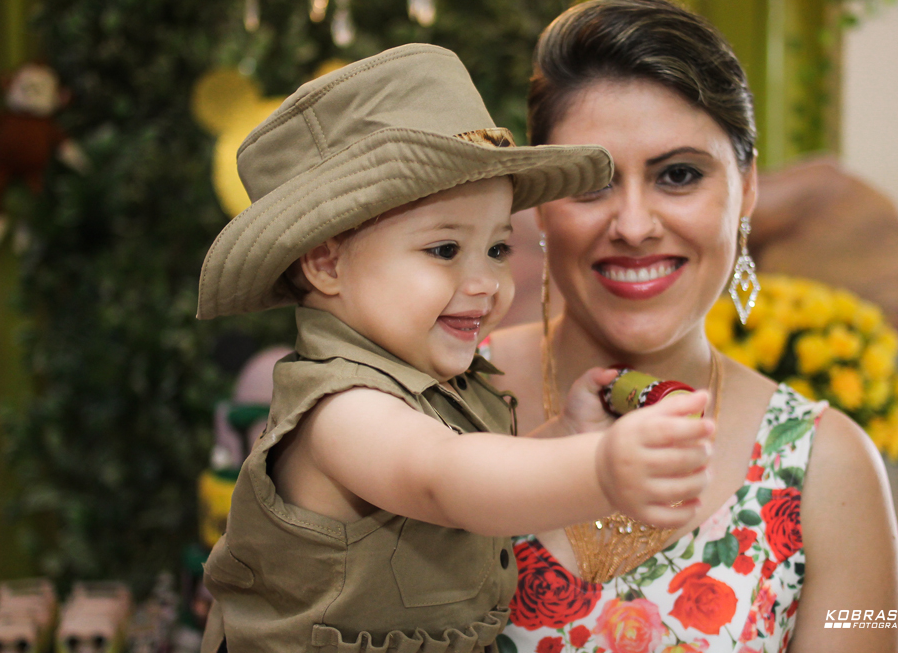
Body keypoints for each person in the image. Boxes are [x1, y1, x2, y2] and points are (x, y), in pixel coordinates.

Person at [194, 43, 717, 653]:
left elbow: (484, 466)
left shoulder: (430, 384)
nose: (484, 284)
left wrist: (567, 436)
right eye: (444, 250)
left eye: (496, 249)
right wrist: (600, 470)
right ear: (325, 262)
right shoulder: (344, 409)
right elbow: (447, 479)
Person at [490, 0, 898, 653]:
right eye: (591, 182)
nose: (632, 225)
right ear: (540, 203)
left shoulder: (827, 468)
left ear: (748, 187)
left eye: (677, 175)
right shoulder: (437, 401)